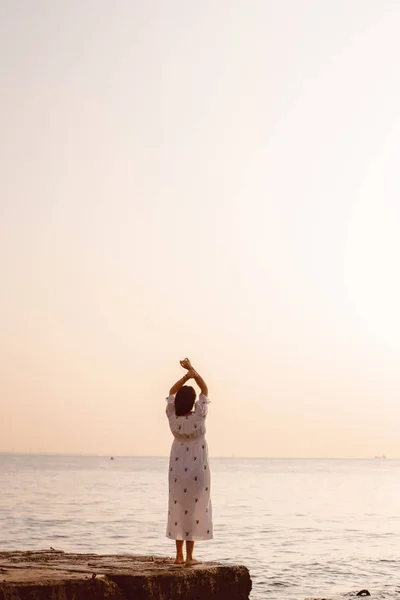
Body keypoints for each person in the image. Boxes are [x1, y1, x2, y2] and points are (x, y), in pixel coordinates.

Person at [165, 358, 213, 565]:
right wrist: (193, 370)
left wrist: (185, 376)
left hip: (177, 468)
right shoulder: (199, 416)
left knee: (177, 508)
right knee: (193, 509)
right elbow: (205, 388)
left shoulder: (172, 416)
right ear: (194, 402)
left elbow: (170, 392)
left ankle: (178, 556)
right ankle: (190, 557)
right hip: (197, 469)